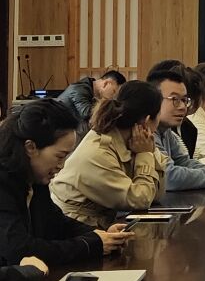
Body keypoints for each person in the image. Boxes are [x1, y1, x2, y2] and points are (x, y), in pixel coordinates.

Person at [0, 100, 132, 272]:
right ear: (30, 147)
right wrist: (91, 245)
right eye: (60, 156)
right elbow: (20, 250)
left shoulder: (34, 178)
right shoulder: (4, 184)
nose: (61, 166)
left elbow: (58, 223)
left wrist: (101, 234)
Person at [51, 81, 167, 228]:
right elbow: (140, 200)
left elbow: (156, 193)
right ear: (147, 121)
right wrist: (145, 155)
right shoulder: (98, 152)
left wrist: (147, 152)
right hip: (71, 228)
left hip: (99, 226)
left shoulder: (132, 143)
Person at [56, 70, 126, 136]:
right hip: (58, 130)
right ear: (106, 83)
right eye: (114, 91)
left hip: (69, 129)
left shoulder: (91, 90)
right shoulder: (79, 89)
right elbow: (86, 113)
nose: (113, 97)